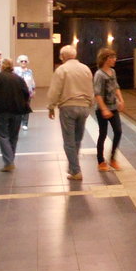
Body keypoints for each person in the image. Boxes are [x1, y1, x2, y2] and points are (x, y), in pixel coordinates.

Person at [46, 45, 94, 181]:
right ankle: (73, 167)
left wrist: (51, 106)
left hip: (68, 107)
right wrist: (90, 103)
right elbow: (91, 89)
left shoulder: (62, 70)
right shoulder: (86, 69)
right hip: (84, 107)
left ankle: (76, 170)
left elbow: (55, 90)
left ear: (63, 57)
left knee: (68, 141)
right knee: (77, 139)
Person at [0, 58, 31, 172]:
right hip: (17, 111)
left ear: (2, 66)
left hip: (1, 110)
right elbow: (26, 94)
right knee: (13, 136)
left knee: (3, 136)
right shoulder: (18, 79)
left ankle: (9, 161)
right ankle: (10, 159)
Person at [93, 48, 124, 173]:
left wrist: (121, 100)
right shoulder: (99, 74)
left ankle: (112, 158)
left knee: (118, 131)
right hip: (102, 109)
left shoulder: (112, 72)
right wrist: (104, 109)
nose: (115, 60)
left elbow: (116, 87)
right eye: (113, 57)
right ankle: (100, 161)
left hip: (113, 107)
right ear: (106, 59)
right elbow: (97, 93)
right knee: (103, 134)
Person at [14, 55, 36, 130]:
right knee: (17, 107)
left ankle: (25, 123)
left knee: (26, 107)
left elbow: (32, 81)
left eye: (25, 61)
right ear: (18, 62)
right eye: (22, 61)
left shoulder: (29, 71)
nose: (23, 62)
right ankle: (17, 122)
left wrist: (33, 90)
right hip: (17, 92)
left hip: (27, 92)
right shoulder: (15, 70)